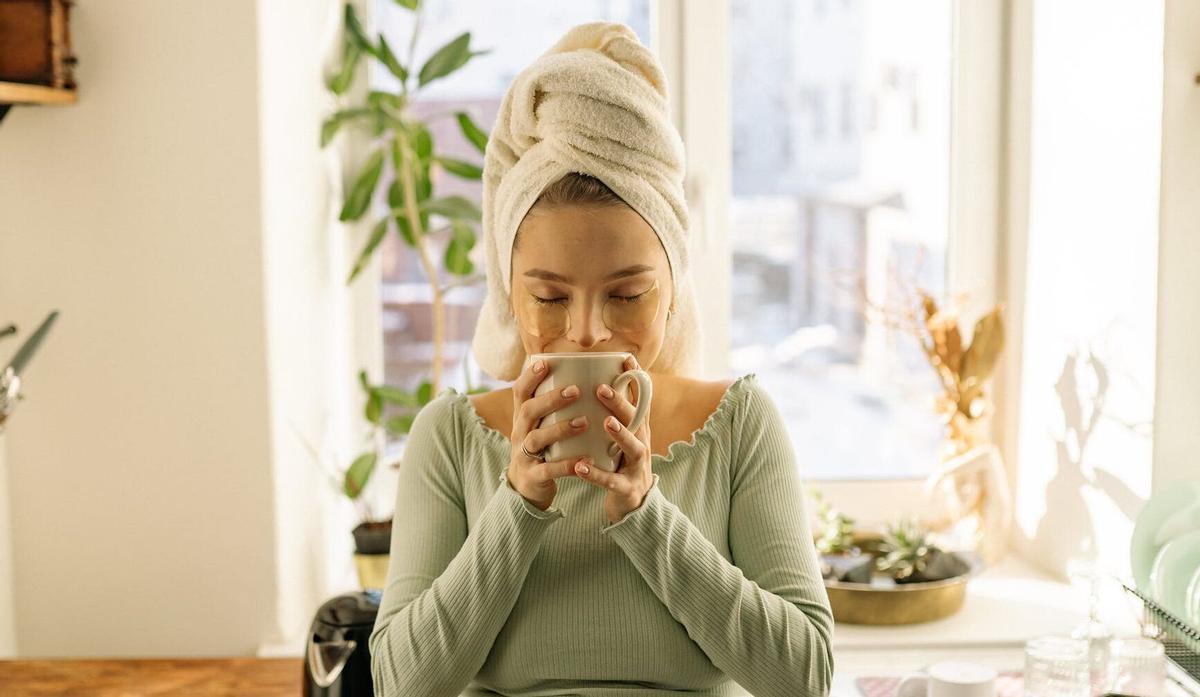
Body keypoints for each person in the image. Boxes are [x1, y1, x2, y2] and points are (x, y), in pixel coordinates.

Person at [369, 21, 833, 697]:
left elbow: (805, 677)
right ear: (507, 291)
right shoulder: (449, 439)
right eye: (549, 296)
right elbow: (400, 684)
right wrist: (517, 505)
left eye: (627, 293)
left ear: (673, 288)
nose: (586, 332)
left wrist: (648, 515)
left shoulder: (740, 425)